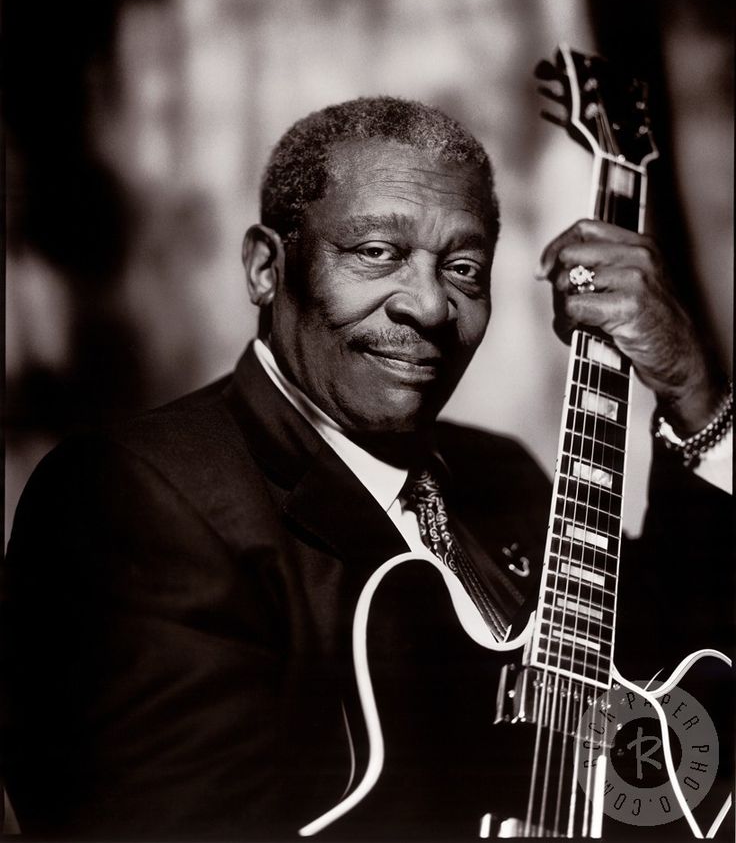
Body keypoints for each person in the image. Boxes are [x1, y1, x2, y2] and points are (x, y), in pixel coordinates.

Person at [2, 97, 732, 841]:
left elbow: (681, 677)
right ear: (265, 267)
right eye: (376, 252)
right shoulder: (132, 499)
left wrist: (693, 392)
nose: (428, 305)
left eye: (463, 267)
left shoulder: (501, 473)